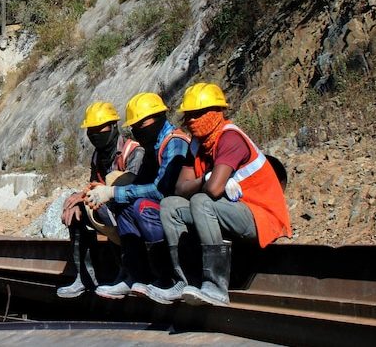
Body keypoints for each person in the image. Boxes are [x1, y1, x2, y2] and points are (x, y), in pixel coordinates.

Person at [154, 83, 292, 306]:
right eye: (189, 115)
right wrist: (206, 178)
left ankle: (216, 286)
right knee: (170, 205)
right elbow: (180, 188)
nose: (191, 120)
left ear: (216, 113)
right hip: (229, 210)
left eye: (198, 114)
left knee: (201, 201)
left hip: (260, 216)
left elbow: (214, 189)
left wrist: (207, 182)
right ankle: (186, 281)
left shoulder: (230, 138)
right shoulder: (198, 144)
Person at [98, 92, 191, 301]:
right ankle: (136, 274)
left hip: (178, 210)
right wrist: (112, 194)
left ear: (158, 117)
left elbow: (161, 189)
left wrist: (113, 191)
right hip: (165, 208)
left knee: (141, 207)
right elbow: (140, 182)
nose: (138, 129)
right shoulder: (153, 144)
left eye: (142, 123)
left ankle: (167, 277)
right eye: (135, 125)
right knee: (124, 205)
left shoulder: (174, 142)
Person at [57, 102, 144, 298]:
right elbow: (93, 184)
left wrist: (93, 195)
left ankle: (127, 273)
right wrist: (78, 200)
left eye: (100, 128)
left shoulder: (133, 151)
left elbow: (132, 187)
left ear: (113, 126)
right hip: (106, 207)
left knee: (112, 211)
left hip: (128, 210)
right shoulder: (98, 155)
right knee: (77, 213)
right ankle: (84, 277)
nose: (95, 133)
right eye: (91, 130)